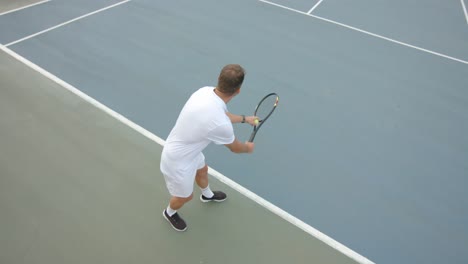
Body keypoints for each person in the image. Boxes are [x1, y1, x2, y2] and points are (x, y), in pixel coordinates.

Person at [160, 64, 257, 231]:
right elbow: (235, 147)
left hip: (191, 150)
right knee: (184, 196)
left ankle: (207, 195)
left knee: (203, 170)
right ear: (238, 91)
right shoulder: (220, 125)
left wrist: (244, 119)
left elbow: (222, 115)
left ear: (219, 81)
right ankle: (169, 212)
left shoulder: (205, 92)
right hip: (177, 160)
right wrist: (248, 148)